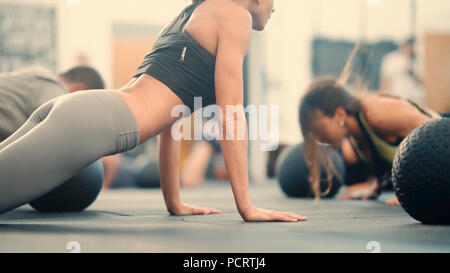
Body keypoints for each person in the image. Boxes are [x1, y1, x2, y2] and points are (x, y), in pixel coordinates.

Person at [0, 0, 305, 222]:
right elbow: (231, 114)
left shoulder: (187, 14)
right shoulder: (236, 17)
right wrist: (247, 207)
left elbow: (171, 122)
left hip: (78, 109)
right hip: (90, 123)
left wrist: (175, 203)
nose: (275, 7)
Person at [298, 77, 442, 204]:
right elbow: (394, 164)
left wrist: (414, 193)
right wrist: (375, 187)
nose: (317, 138)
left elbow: (439, 135)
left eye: (318, 129)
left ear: (340, 114)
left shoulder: (377, 114)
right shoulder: (355, 141)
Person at [380, 37, 425, 105]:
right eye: (409, 46)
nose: (410, 48)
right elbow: (385, 79)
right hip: (397, 98)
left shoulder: (418, 60)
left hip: (415, 100)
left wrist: (412, 72)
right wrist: (384, 97)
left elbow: (424, 82)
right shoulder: (391, 59)